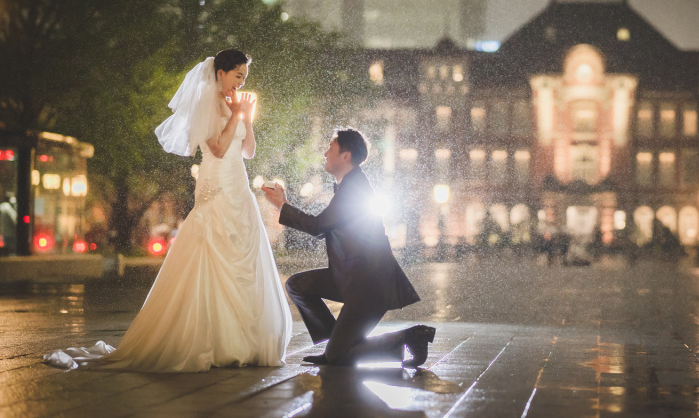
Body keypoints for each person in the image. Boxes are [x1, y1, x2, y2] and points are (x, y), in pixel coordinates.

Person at [44, 50, 292, 372]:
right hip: (216, 184)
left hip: (239, 186)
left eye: (244, 77)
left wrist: (245, 116)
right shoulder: (207, 103)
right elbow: (217, 149)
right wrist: (235, 115)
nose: (241, 82)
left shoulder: (237, 105)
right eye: (237, 75)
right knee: (212, 246)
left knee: (244, 251)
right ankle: (210, 339)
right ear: (220, 74)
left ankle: (246, 339)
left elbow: (248, 151)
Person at [262, 128, 434, 367]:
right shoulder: (349, 185)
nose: (325, 154)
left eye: (330, 149)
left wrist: (282, 205)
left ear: (346, 156)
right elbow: (323, 227)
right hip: (352, 278)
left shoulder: (354, 189)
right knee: (297, 285)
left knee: (339, 356)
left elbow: (318, 226)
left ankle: (410, 337)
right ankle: (337, 342)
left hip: (370, 285)